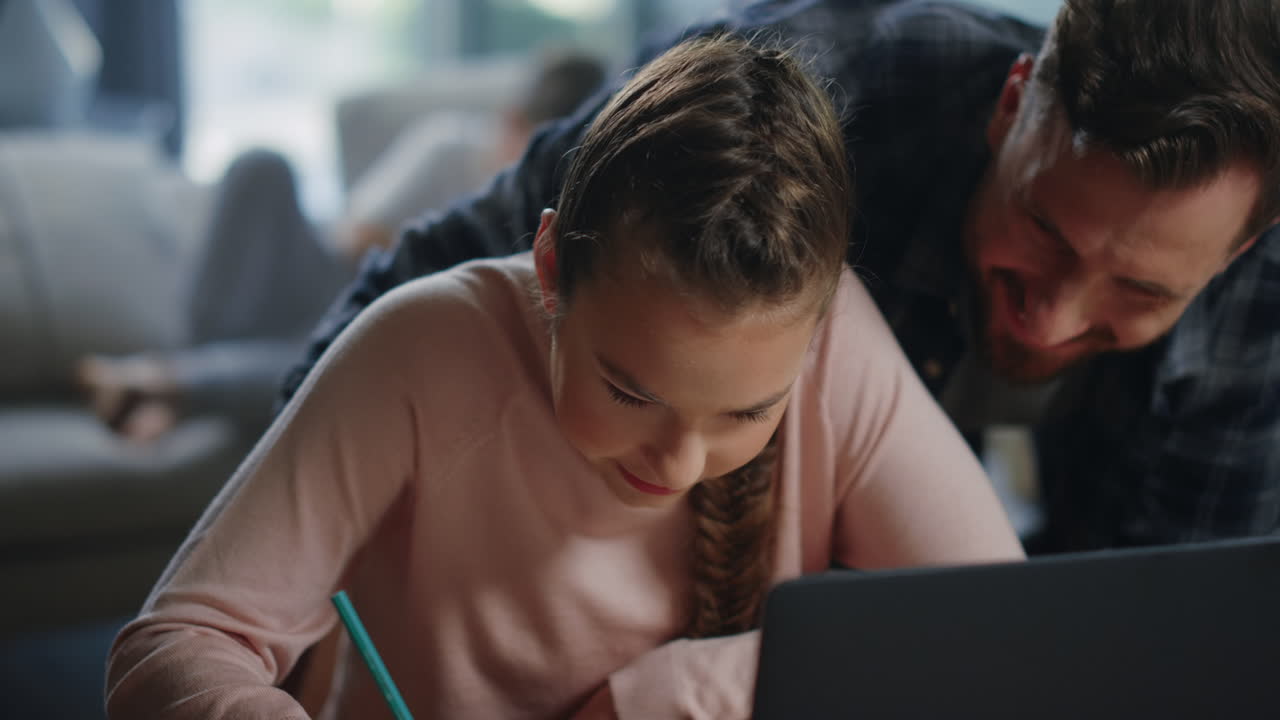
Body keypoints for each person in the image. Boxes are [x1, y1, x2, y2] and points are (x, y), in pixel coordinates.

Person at [105, 34, 1023, 719]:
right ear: (551, 267)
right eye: (630, 391)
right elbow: (172, 648)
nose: (675, 465)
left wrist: (668, 697)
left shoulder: (838, 343)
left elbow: (1005, 644)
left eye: (747, 412)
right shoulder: (422, 350)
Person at [283, 0, 1280, 553]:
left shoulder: (1258, 296)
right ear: (1010, 105)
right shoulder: (784, 100)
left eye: (1138, 289)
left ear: (1237, 253)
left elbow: (1147, 625)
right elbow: (415, 288)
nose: (1054, 316)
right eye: (1042, 231)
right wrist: (314, 542)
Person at [77, 48, 607, 444]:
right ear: (511, 122)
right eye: (530, 145)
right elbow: (355, 238)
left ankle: (162, 387)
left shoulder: (563, 210)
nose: (529, 167)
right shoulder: (452, 146)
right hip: (341, 279)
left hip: (398, 325)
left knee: (350, 361)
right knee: (263, 165)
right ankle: (182, 372)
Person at [337, 48, 607, 259]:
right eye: (536, 154)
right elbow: (354, 236)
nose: (539, 175)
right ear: (511, 121)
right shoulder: (445, 148)